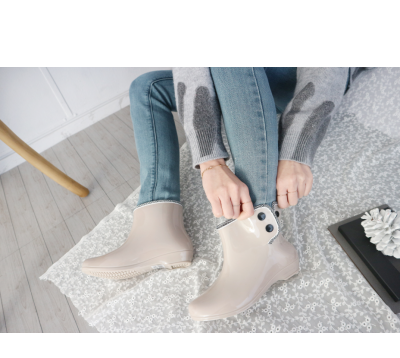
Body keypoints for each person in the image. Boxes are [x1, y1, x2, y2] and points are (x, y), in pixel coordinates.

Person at [82, 67, 375, 321]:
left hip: (304, 79)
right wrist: (210, 162)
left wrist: (296, 149)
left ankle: (260, 238)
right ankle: (158, 228)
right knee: (148, 87)